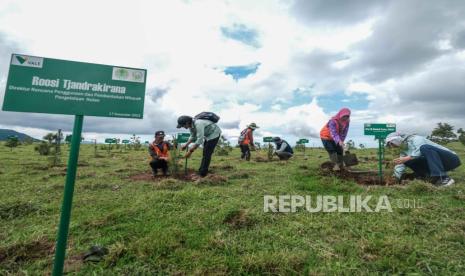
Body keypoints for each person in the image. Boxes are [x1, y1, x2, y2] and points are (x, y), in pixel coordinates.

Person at [386, 132, 461, 187]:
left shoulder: (416, 139)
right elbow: (400, 165)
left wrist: (407, 158)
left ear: (397, 140)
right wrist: (395, 178)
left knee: (424, 148)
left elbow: (419, 150)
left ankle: (443, 178)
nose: (392, 147)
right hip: (438, 164)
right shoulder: (404, 151)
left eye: (392, 144)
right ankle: (428, 177)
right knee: (406, 161)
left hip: (451, 159)